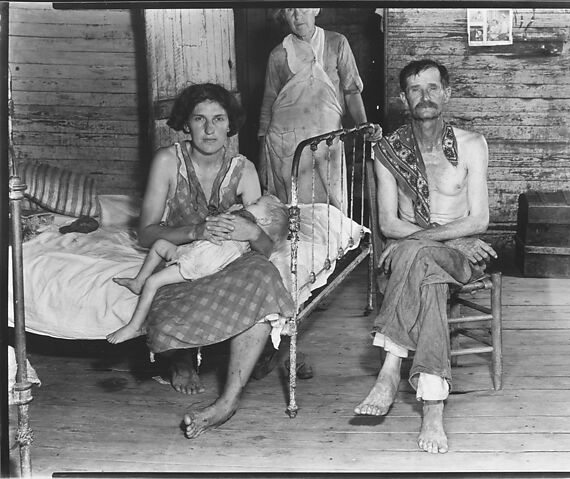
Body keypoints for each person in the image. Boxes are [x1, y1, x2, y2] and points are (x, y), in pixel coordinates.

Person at [135, 82, 295, 438]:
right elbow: (145, 233)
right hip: (185, 253)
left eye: (218, 119)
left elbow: (265, 240)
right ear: (185, 124)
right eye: (199, 119)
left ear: (229, 125)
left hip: (229, 258)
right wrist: (196, 231)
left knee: (264, 277)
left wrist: (251, 232)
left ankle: (227, 402)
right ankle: (181, 357)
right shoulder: (167, 161)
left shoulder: (244, 169)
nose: (209, 129)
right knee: (166, 286)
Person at [354, 60, 497, 454]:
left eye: (433, 88)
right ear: (404, 98)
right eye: (416, 89)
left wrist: (438, 243)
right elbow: (389, 224)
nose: (425, 96)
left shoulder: (472, 144)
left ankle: (390, 368)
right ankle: (433, 407)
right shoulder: (388, 151)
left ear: (446, 93)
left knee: (417, 254)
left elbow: (479, 218)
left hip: (465, 256)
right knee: (427, 276)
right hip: (438, 253)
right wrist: (447, 241)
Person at [107, 194, 289, 345]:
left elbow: (258, 242)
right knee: (160, 244)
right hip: (194, 250)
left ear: (264, 220)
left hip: (201, 262)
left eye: (256, 203)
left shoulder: (247, 224)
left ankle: (134, 326)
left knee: (153, 282)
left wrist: (233, 214)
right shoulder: (245, 222)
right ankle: (138, 281)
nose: (249, 202)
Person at [258, 7, 381, 211]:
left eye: (304, 7)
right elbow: (268, 104)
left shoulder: (336, 43)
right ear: (283, 14)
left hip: (327, 140)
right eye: (290, 10)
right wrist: (262, 157)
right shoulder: (278, 54)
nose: (298, 16)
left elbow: (351, 91)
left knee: (332, 203)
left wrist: (363, 125)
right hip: (286, 142)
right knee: (292, 208)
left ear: (316, 9)